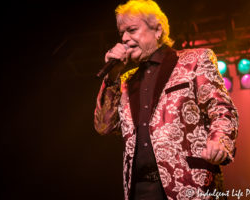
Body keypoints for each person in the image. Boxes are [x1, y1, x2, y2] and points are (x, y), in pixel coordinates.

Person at [94, 0, 238, 199]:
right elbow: (103, 126)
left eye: (132, 30)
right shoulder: (125, 81)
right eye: (121, 33)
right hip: (140, 189)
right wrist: (112, 77)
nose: (125, 39)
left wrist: (219, 141)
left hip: (190, 185)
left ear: (158, 30)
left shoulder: (194, 60)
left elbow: (221, 108)